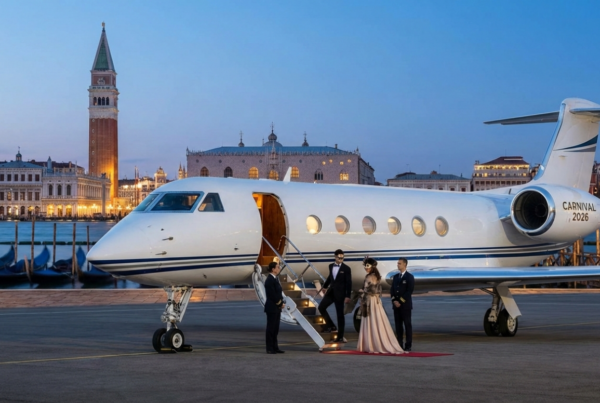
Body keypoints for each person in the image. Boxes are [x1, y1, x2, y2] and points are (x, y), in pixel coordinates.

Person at [356, 258, 404, 354]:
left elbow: (373, 290)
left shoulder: (371, 276)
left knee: (372, 320)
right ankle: (372, 343)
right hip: (373, 301)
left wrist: (362, 291)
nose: (366, 268)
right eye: (365, 266)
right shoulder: (374, 276)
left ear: (372, 267)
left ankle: (372, 344)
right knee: (374, 320)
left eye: (367, 266)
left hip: (371, 301)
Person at [318, 249, 352, 343]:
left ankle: (340, 336)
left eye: (342, 258)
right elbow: (331, 277)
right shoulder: (331, 266)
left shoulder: (346, 268)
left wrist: (348, 296)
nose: (341, 259)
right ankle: (331, 325)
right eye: (339, 258)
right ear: (335, 257)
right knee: (321, 307)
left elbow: (349, 283)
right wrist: (325, 286)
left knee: (340, 315)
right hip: (331, 292)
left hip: (340, 294)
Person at [390, 257, 414, 352]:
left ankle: (408, 345)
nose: (398, 265)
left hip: (405, 306)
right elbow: (392, 290)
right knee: (398, 326)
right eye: (397, 263)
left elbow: (409, 291)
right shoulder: (396, 277)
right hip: (396, 306)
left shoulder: (409, 277)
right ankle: (399, 344)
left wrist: (400, 301)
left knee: (407, 325)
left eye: (399, 263)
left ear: (405, 264)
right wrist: (394, 301)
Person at [264, 261, 285, 354]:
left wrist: (281, 303)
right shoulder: (269, 280)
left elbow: (278, 293)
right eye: (278, 267)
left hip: (276, 308)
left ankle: (275, 347)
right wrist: (280, 303)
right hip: (272, 307)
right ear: (273, 269)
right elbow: (272, 294)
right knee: (271, 328)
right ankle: (269, 348)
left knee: (275, 329)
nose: (279, 269)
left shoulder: (275, 279)